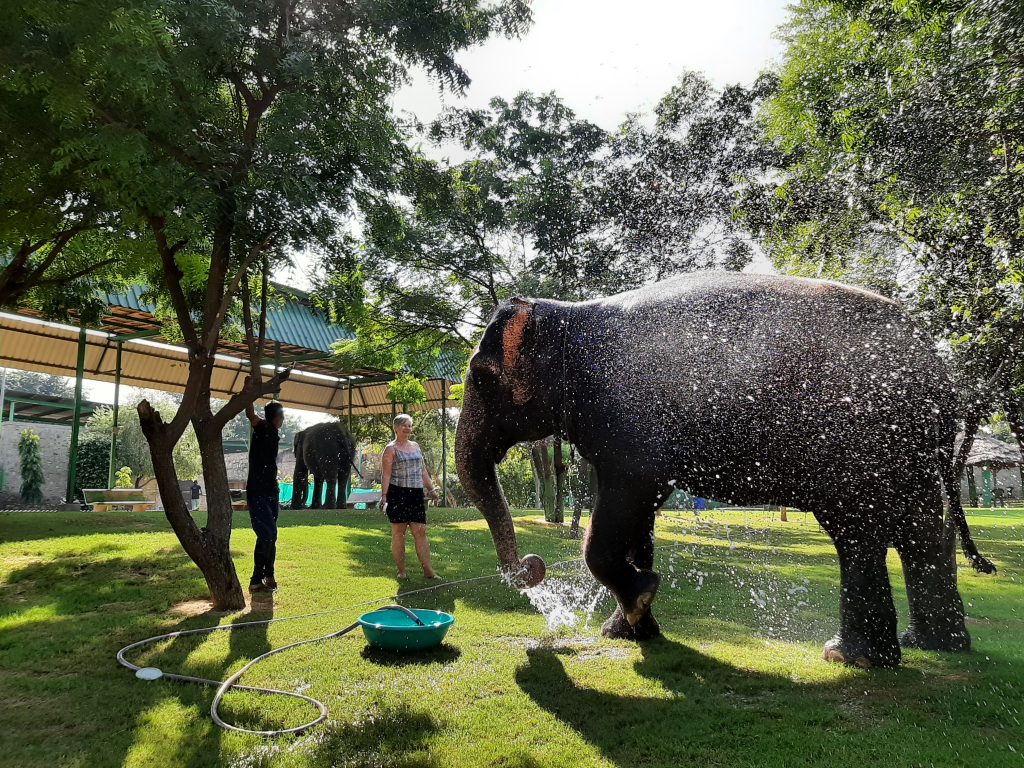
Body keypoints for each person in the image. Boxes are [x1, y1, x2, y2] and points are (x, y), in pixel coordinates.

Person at [380, 414, 440, 580]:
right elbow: (386, 475)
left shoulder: (415, 446)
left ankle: (428, 571)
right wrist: (384, 496)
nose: (408, 429)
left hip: (415, 494)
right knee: (399, 533)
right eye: (405, 425)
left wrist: (432, 490)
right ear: (397, 428)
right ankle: (401, 571)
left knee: (420, 531)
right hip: (397, 493)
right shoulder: (391, 449)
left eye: (410, 426)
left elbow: (422, 471)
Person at [245, 399, 285, 593]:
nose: (283, 420)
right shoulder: (262, 427)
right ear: (276, 417)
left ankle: (268, 576)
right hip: (257, 490)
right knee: (267, 534)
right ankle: (256, 579)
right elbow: (250, 415)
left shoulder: (274, 432)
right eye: (282, 416)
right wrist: (250, 393)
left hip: (271, 490)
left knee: (271, 535)